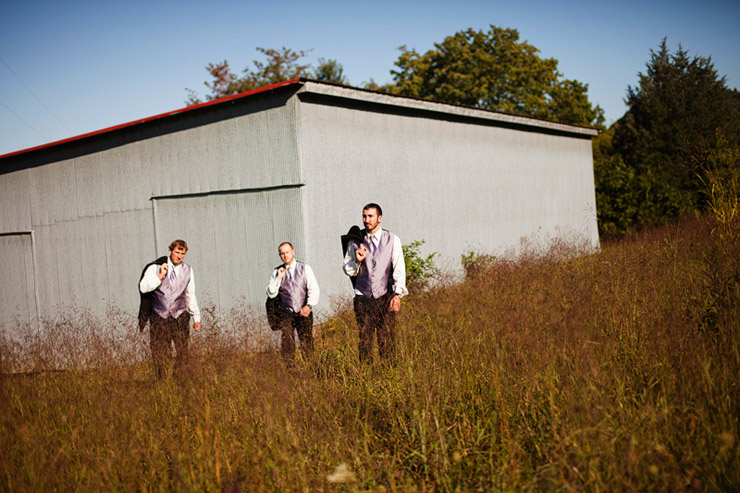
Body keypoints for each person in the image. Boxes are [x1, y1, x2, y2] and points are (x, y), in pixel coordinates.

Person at [343, 203, 407, 362]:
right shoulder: (356, 241)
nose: (366, 220)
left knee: (387, 340)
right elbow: (348, 270)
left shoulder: (392, 239)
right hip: (362, 298)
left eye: (370, 216)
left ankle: (389, 376)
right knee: (365, 340)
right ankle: (366, 377)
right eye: (364, 216)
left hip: (385, 297)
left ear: (379, 218)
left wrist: (397, 295)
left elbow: (399, 267)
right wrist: (357, 261)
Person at [139, 239, 201, 378]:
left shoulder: (188, 270)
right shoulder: (155, 267)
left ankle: (179, 379)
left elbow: (190, 294)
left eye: (182, 254)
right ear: (170, 251)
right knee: (160, 353)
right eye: (177, 252)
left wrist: (196, 317)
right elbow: (143, 288)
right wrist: (160, 276)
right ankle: (162, 381)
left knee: (183, 352)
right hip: (159, 317)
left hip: (180, 316)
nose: (179, 256)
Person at [266, 242, 320, 360]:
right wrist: (278, 278)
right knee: (287, 344)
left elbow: (314, 289)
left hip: (303, 311)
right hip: (286, 313)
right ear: (280, 255)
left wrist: (309, 306)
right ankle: (291, 371)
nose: (285, 255)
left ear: (293, 252)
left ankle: (311, 367)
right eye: (282, 253)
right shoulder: (277, 272)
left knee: (307, 342)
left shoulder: (305, 268)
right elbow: (271, 293)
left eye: (287, 252)